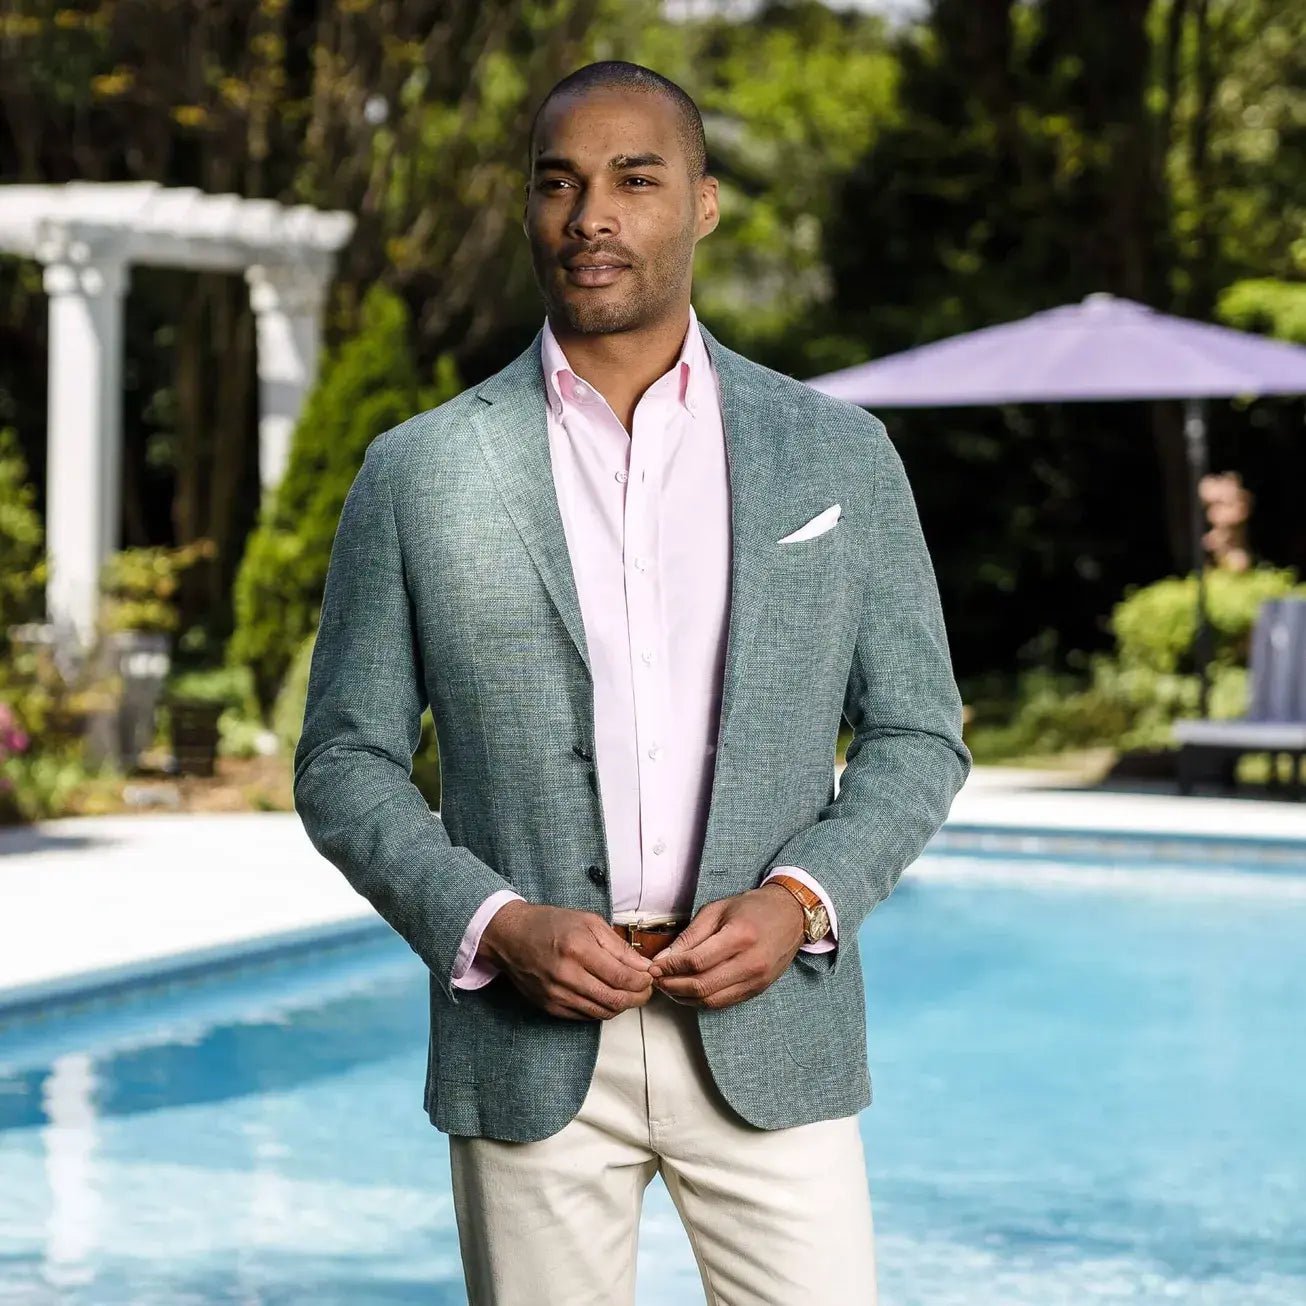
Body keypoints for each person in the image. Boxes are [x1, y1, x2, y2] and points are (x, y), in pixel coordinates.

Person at [294, 58, 972, 1306]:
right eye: (558, 183)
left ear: (702, 203)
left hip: (773, 1030)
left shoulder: (838, 453)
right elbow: (344, 760)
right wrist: (497, 923)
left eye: (633, 179)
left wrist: (801, 899)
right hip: (528, 1043)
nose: (589, 215)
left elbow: (919, 732)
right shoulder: (417, 472)